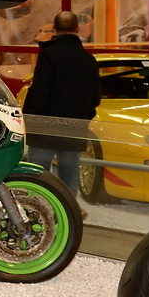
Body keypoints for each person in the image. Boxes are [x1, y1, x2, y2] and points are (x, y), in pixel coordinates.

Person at [23, 11, 101, 196]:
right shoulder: (88, 60)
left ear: (54, 28)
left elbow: (40, 92)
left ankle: (37, 209)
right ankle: (67, 211)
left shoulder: (48, 55)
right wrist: (83, 117)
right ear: (77, 29)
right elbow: (95, 98)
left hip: (45, 127)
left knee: (38, 177)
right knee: (68, 180)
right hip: (74, 128)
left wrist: (30, 119)